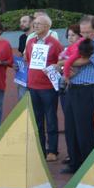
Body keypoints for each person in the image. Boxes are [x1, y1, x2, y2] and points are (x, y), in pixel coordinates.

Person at [62, 15, 94, 174]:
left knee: (84, 128)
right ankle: (74, 162)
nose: (85, 35)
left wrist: (63, 62)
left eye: (89, 32)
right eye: (82, 32)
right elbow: (69, 55)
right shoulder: (80, 41)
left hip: (87, 89)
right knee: (71, 127)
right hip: (72, 87)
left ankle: (88, 164)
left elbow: (82, 61)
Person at [24, 14, 63, 161]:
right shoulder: (30, 42)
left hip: (48, 87)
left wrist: (55, 66)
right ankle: (39, 149)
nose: (35, 26)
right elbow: (27, 59)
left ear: (47, 26)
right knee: (37, 119)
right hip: (33, 86)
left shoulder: (55, 43)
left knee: (51, 118)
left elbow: (62, 62)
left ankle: (52, 150)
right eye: (34, 24)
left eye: (39, 24)